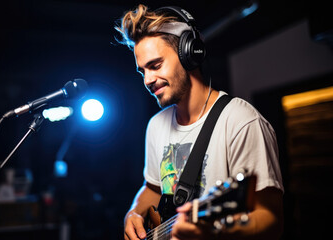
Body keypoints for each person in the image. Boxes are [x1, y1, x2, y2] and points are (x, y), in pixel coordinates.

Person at [115, 4, 284, 240]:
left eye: (155, 65)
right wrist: (133, 212)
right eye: (142, 71)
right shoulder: (156, 126)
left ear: (189, 54)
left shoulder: (242, 121)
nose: (148, 80)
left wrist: (214, 230)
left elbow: (271, 219)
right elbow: (153, 187)